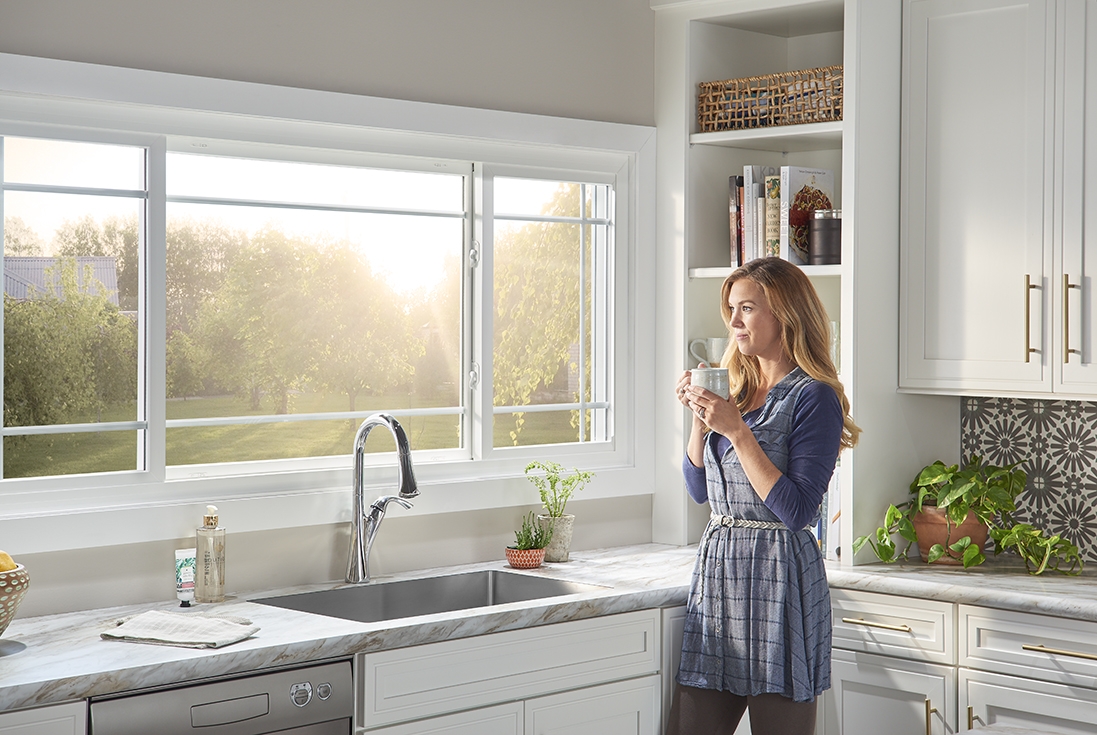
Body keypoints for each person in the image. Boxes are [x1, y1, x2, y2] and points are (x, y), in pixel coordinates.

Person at [668, 257, 860, 735]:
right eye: (731, 309)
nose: (734, 322)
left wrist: (736, 432)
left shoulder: (814, 398)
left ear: (786, 315)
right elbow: (699, 492)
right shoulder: (738, 389)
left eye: (747, 308)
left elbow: (798, 512)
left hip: (781, 581)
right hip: (719, 579)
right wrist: (700, 422)